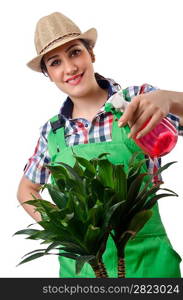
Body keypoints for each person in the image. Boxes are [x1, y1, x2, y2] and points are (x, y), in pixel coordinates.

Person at [17, 11, 183, 278]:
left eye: (74, 52)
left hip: (148, 267)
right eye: (55, 62)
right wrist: (66, 231)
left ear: (90, 53)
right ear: (48, 74)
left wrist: (170, 99)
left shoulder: (136, 100)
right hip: (80, 273)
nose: (69, 68)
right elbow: (27, 189)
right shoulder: (53, 132)